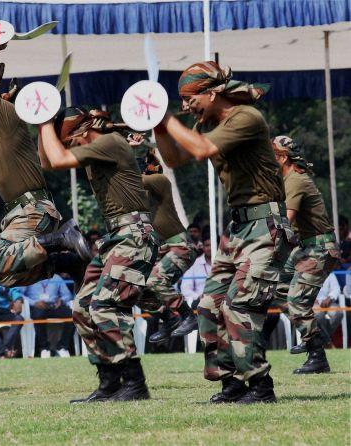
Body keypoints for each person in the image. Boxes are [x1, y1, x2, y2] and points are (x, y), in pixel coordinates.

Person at [154, 61, 294, 403]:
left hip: (265, 225)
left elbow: (200, 150)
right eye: (181, 102)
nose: (186, 107)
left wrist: (166, 115)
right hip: (239, 228)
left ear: (213, 92)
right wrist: (157, 125)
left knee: (239, 306)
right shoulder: (216, 125)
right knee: (208, 305)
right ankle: (231, 383)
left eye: (190, 99)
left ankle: (260, 387)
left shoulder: (246, 117)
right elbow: (174, 160)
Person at [38, 107, 160, 403]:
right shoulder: (99, 146)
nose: (70, 149)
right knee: (82, 308)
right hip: (115, 238)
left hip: (133, 235)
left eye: (70, 141)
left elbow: (57, 159)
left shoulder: (107, 143)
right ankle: (109, 382)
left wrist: (43, 120)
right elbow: (46, 160)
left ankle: (134, 382)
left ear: (82, 132)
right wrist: (42, 124)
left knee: (105, 305)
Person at [0, 44, 90, 288]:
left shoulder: (7, 116)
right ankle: (66, 263)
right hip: (20, 213)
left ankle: (61, 238)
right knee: (6, 275)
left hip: (33, 208)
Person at [270, 136, 340, 374]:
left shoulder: (295, 181)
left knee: (296, 301)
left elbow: (285, 223)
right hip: (306, 247)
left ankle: (317, 354)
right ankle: (312, 336)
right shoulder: (288, 179)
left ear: (282, 157)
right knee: (277, 288)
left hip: (319, 248)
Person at [138, 149, 197, 345]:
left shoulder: (160, 181)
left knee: (156, 279)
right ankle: (168, 318)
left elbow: (131, 179)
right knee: (134, 286)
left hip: (181, 247)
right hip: (165, 249)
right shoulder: (142, 197)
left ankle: (187, 315)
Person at [23, 274, 74, 358]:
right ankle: (44, 348)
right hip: (37, 306)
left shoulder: (56, 277)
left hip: (53, 305)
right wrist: (33, 302)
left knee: (72, 316)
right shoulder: (30, 276)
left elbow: (68, 295)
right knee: (38, 315)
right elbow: (20, 294)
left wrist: (61, 300)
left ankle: (62, 346)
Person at [175, 236, 213, 336]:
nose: (209, 248)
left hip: (220, 298)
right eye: (207, 245)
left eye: (212, 245)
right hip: (199, 300)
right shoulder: (196, 263)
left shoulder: (224, 262)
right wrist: (198, 295)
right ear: (203, 247)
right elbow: (185, 288)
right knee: (199, 305)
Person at [314, 273, 344, 346]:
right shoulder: (307, 273)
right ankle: (328, 341)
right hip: (313, 303)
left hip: (328, 302)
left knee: (339, 313)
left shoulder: (329, 273)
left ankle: (325, 339)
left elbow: (336, 288)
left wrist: (329, 298)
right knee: (319, 315)